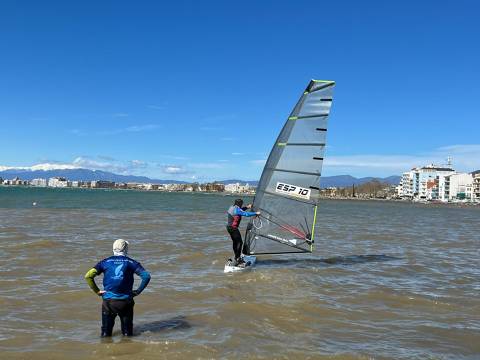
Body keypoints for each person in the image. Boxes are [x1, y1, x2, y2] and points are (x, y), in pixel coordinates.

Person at [84, 239, 151, 337]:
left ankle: (104, 350)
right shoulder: (131, 262)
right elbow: (146, 276)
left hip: (109, 302)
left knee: (106, 334)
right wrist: (137, 292)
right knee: (128, 335)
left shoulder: (104, 262)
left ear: (113, 249)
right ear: (126, 249)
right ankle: (128, 350)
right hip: (126, 302)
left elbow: (88, 276)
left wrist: (97, 291)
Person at [226, 199, 260, 266]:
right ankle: (238, 259)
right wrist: (255, 213)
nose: (242, 205)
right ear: (239, 204)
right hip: (233, 228)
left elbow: (240, 210)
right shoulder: (237, 210)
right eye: (241, 204)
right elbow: (246, 214)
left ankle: (236, 256)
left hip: (229, 227)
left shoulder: (232, 207)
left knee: (235, 242)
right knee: (240, 242)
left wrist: (247, 207)